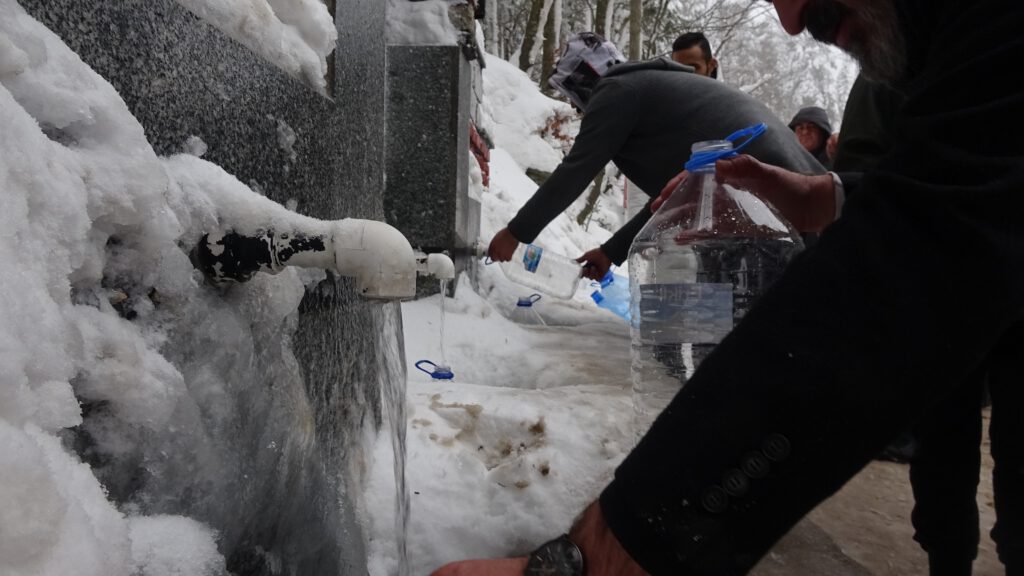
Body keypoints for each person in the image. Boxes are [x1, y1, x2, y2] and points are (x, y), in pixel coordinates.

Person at [433, 0, 1024, 574]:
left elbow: (913, 253)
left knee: (743, 324)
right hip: (777, 193)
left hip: (756, 217)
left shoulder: (618, 92)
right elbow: (969, 183)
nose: (792, 22)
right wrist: (833, 196)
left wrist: (609, 549)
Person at [833, 71, 1015, 576]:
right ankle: (947, 559)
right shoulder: (896, 57)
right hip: (939, 283)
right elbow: (862, 164)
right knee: (942, 437)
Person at [487, 31, 824, 281]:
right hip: (793, 177)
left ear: (584, 81)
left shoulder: (616, 91)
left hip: (761, 177)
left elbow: (575, 170)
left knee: (759, 296)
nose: (576, 109)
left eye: (574, 98)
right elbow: (671, 196)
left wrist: (516, 233)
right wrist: (610, 252)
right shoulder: (649, 91)